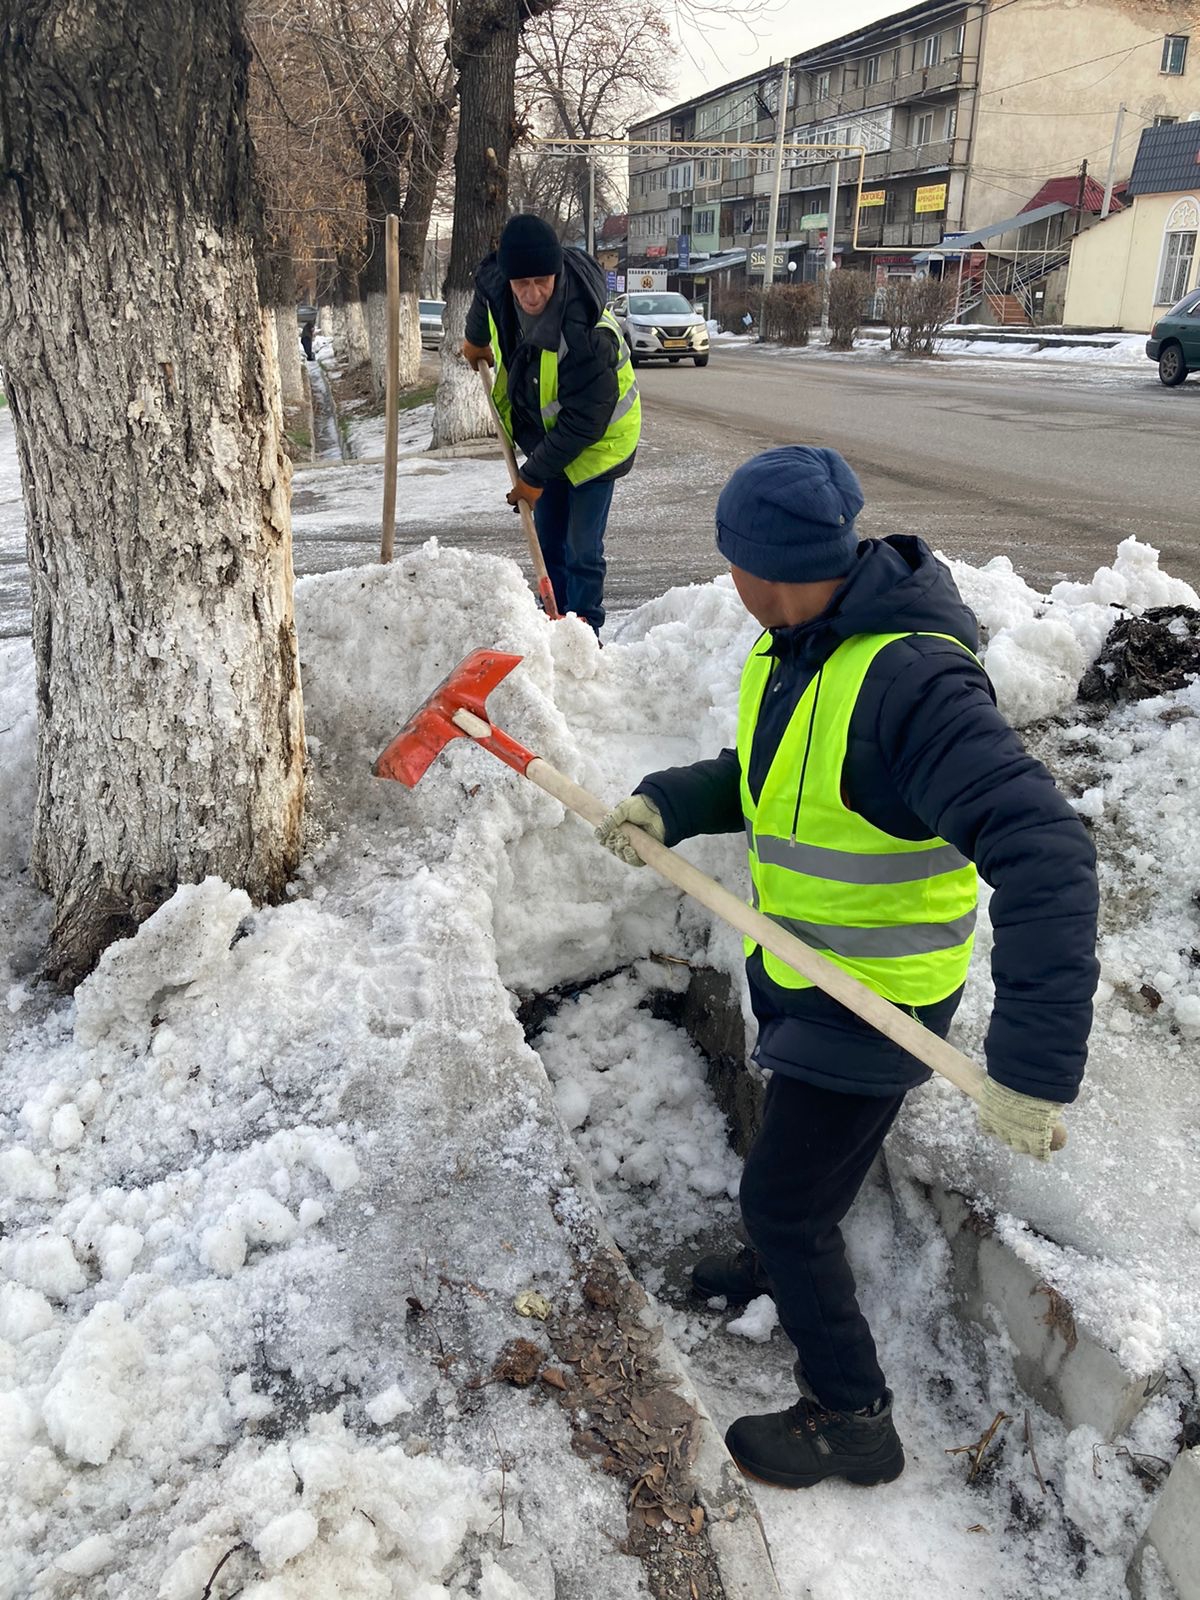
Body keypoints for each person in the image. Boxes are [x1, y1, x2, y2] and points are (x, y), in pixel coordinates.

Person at [596, 445, 1099, 1492]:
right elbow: (773, 782)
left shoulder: (910, 684)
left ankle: (853, 1418)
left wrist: (1034, 1066)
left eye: (731, 560)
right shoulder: (803, 649)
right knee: (789, 1168)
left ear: (762, 566)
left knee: (787, 1199)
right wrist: (672, 802)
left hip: (877, 999)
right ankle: (778, 1267)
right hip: (810, 974)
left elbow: (1046, 848)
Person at [461, 214, 641, 635]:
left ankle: (584, 633)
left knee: (582, 549)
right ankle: (553, 622)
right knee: (548, 541)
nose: (532, 293)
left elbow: (585, 421)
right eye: (521, 283)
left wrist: (533, 474)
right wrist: (476, 338)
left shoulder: (587, 332)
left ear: (557, 273)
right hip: (546, 440)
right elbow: (484, 291)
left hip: (599, 446)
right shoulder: (499, 283)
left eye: (542, 280)